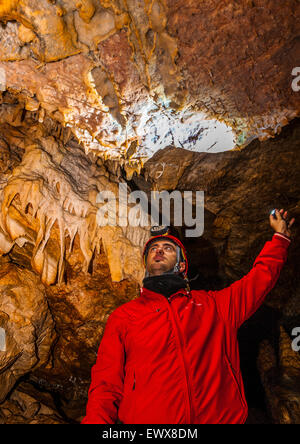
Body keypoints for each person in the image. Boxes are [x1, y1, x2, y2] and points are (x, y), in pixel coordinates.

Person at [81, 208, 295, 424]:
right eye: (153, 248)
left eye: (167, 248)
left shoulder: (213, 306)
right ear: (145, 265)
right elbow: (105, 384)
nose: (158, 251)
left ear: (182, 265)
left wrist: (280, 239)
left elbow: (258, 281)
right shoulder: (124, 317)